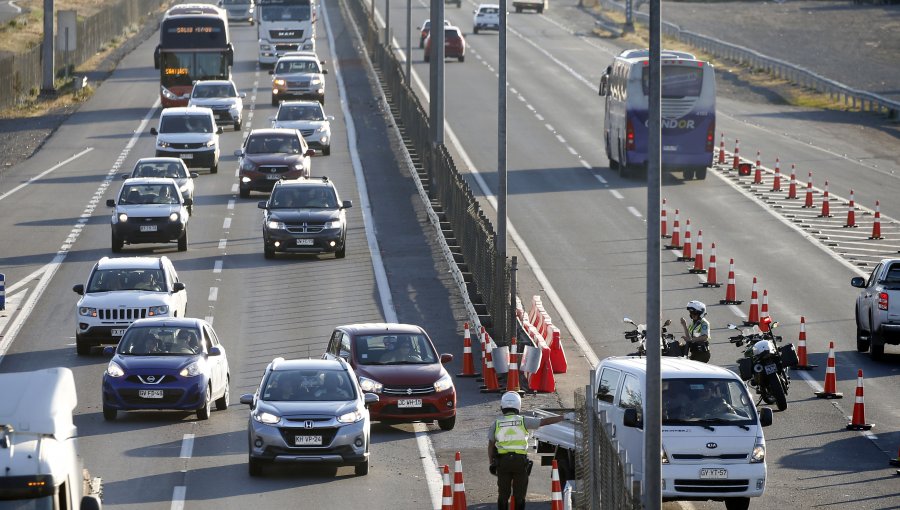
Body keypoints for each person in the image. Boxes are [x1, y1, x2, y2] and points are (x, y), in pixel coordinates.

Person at [488, 391, 565, 510]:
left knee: (503, 495)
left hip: (503, 463)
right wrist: (563, 417)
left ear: (502, 407)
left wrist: (491, 462)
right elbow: (543, 422)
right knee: (520, 495)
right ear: (517, 406)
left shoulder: (496, 423)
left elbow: (490, 445)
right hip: (520, 462)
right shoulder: (523, 421)